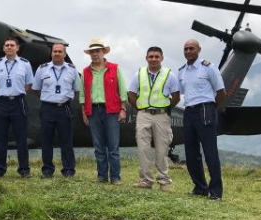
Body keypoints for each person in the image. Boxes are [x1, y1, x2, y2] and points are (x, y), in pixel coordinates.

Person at [128, 47, 180, 191]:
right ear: (146, 58)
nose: (154, 59)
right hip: (143, 115)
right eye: (151, 57)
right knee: (143, 148)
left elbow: (176, 96)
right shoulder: (139, 74)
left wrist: (166, 108)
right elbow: (131, 93)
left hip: (161, 115)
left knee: (162, 148)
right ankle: (145, 180)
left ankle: (164, 180)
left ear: (162, 58)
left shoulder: (170, 75)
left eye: (157, 56)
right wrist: (139, 107)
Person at [178, 39, 225, 200]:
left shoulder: (208, 67)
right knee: (191, 152)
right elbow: (183, 92)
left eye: (191, 48)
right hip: (188, 111)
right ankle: (200, 187)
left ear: (199, 49)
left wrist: (211, 108)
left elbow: (220, 92)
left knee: (210, 151)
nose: (188, 51)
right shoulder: (182, 71)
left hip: (205, 109)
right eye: (186, 49)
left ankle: (216, 191)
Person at [78, 38, 128, 185]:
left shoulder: (115, 68)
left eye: (97, 51)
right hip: (93, 111)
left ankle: (115, 177)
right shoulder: (86, 72)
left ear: (103, 52)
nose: (94, 54)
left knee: (113, 146)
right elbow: (82, 94)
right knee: (98, 146)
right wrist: (84, 113)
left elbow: (122, 90)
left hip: (112, 111)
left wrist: (123, 108)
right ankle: (101, 176)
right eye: (92, 52)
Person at [32, 43, 81, 178]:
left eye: (60, 51)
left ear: (64, 54)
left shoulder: (72, 70)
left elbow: (77, 90)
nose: (57, 54)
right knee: (46, 140)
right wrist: (49, 98)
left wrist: (64, 99)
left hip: (64, 108)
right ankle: (47, 170)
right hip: (47, 108)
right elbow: (35, 88)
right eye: (55, 51)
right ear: (51, 53)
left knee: (66, 141)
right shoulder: (42, 69)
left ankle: (68, 170)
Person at [0, 36, 34, 178]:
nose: (9, 47)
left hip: (18, 102)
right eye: (7, 45)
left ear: (17, 48)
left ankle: (24, 170)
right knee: (0, 137)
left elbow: (28, 85)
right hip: (1, 103)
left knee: (21, 138)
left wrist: (15, 93)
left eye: (12, 45)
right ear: (3, 48)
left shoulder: (25, 64)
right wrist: (5, 93)